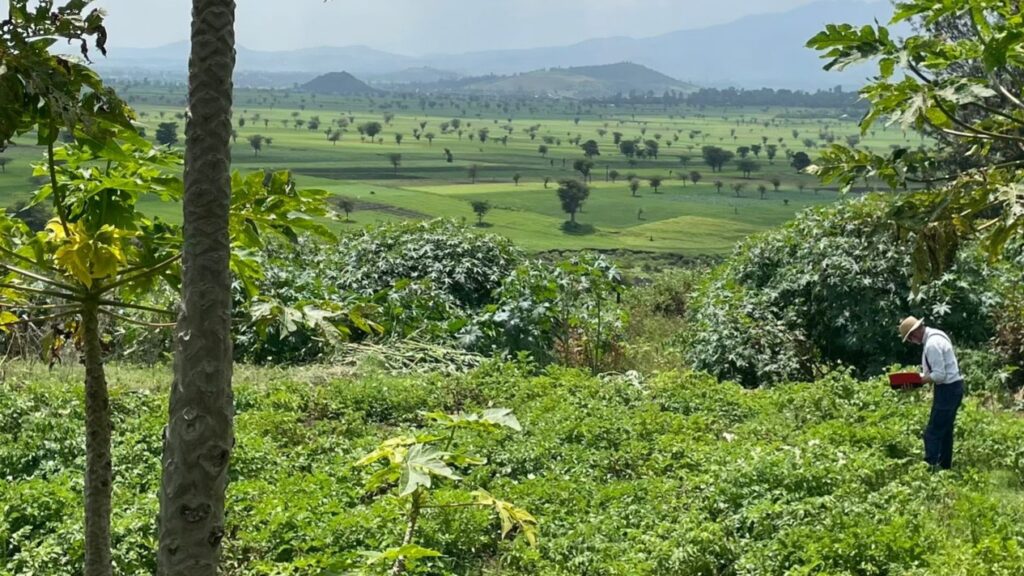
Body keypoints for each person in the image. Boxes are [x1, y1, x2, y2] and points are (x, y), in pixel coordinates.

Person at [899, 316, 965, 470]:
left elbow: (939, 375)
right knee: (945, 430)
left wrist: (918, 381)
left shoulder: (931, 345)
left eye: (909, 339)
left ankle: (931, 468)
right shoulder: (937, 334)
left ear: (914, 334)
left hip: (947, 390)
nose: (911, 342)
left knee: (933, 432)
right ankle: (944, 467)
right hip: (953, 387)